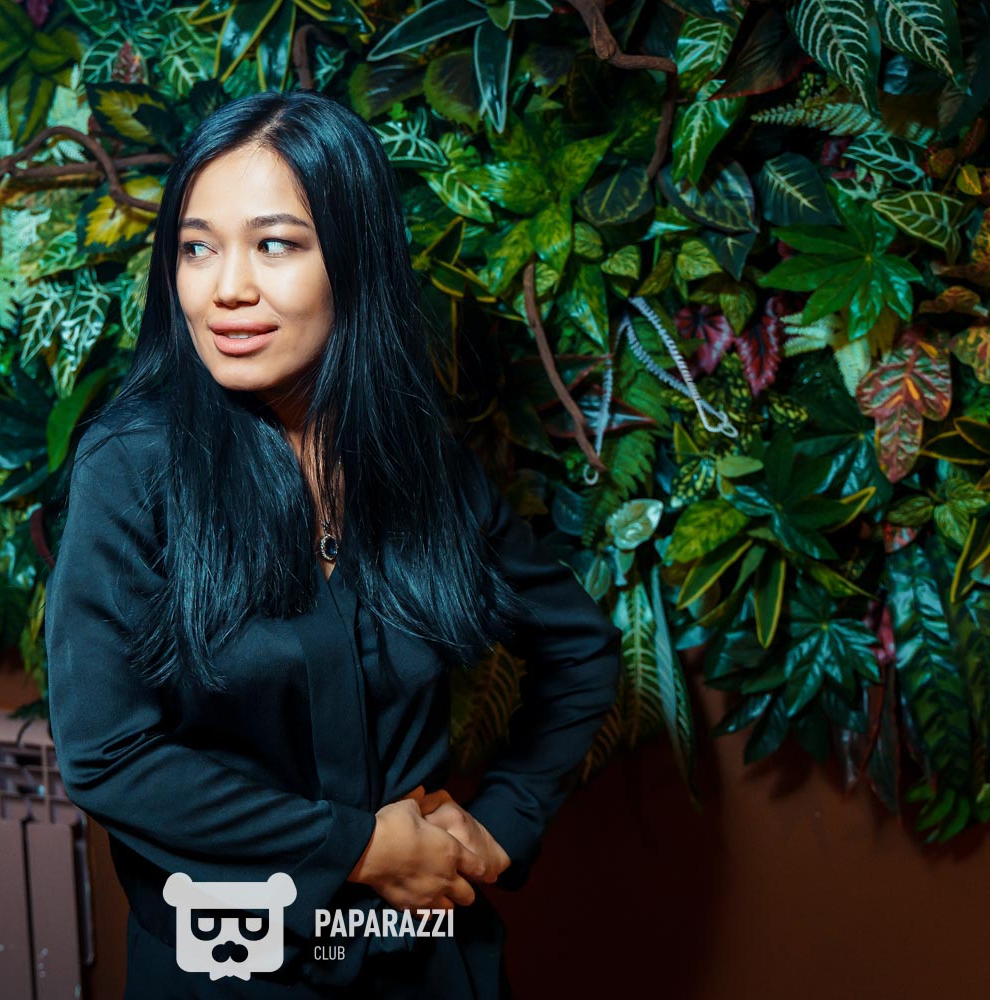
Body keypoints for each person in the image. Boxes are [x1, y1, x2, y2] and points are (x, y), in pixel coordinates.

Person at [44, 89, 622, 997]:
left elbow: (580, 651)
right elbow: (107, 756)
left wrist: (504, 822)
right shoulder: (131, 466)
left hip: (428, 960)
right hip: (235, 968)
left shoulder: (421, 462)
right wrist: (358, 847)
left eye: (275, 245)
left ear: (352, 261)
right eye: (197, 248)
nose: (227, 288)